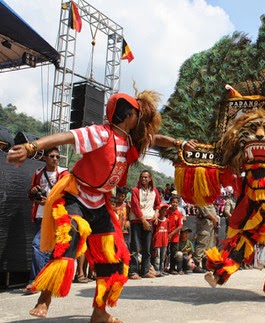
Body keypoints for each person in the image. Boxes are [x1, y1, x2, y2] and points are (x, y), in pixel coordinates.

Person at [7, 89, 197, 322]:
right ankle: (44, 299)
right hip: (76, 196)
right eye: (138, 115)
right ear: (128, 116)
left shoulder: (130, 140)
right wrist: (31, 147)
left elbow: (156, 140)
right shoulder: (100, 133)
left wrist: (180, 143)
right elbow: (66, 137)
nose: (141, 120)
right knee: (71, 237)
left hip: (100, 203)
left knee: (112, 258)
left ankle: (99, 311)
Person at [24, 147, 69, 293]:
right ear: (45, 158)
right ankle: (41, 280)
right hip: (40, 215)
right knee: (41, 247)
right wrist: (33, 192)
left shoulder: (64, 173)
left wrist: (49, 201)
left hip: (56, 215)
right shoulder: (38, 173)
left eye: (57, 157)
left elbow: (67, 195)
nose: (55, 159)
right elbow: (31, 193)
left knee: (44, 247)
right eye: (52, 156)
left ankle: (37, 280)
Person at [129, 170, 162, 279]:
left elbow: (158, 204)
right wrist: (143, 221)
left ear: (150, 178)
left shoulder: (155, 191)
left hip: (149, 220)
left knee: (147, 248)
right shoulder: (135, 190)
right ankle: (133, 271)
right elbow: (135, 206)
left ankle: (145, 270)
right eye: (142, 177)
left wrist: (156, 213)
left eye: (146, 177)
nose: (143, 179)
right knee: (135, 247)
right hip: (137, 221)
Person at [193, 204, 218, 272]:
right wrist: (213, 218)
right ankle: (196, 264)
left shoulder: (210, 201)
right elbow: (204, 210)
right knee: (202, 243)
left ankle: (205, 264)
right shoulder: (202, 200)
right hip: (204, 223)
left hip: (211, 224)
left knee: (209, 245)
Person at [167, 196, 184, 274]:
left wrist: (172, 233)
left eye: (176, 203)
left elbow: (180, 226)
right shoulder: (166, 212)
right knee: (165, 252)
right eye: (173, 202)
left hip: (175, 237)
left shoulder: (179, 214)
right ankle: (163, 268)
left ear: (178, 203)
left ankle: (172, 268)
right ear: (170, 203)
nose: (174, 204)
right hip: (166, 235)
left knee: (174, 252)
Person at [152, 202, 169, 275]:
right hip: (157, 242)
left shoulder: (167, 220)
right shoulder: (156, 220)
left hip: (164, 241)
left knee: (163, 256)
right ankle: (157, 270)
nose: (164, 212)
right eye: (162, 210)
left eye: (165, 210)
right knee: (157, 257)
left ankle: (162, 270)